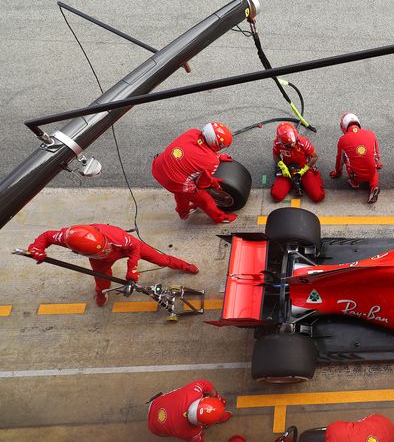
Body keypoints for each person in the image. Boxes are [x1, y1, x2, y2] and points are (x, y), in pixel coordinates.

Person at [27, 224, 198, 306]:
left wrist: (132, 271)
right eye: (100, 251)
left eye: (104, 248)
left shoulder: (117, 237)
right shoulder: (67, 237)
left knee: (161, 260)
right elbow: (47, 236)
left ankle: (186, 266)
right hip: (101, 262)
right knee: (101, 282)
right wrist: (36, 248)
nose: (105, 251)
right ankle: (101, 295)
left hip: (125, 249)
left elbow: (135, 248)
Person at [151, 122, 237, 224]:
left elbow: (193, 153)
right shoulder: (211, 162)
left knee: (180, 192)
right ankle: (220, 218)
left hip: (158, 167)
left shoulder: (192, 132)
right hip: (173, 180)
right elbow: (201, 184)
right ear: (215, 143)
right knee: (205, 200)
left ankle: (183, 212)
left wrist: (217, 156)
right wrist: (213, 182)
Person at [146, 380, 231, 442]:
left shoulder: (193, 392)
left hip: (156, 405)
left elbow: (206, 384)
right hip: (154, 426)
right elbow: (196, 441)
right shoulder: (190, 432)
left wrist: (217, 399)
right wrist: (217, 397)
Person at [330, 113, 383, 204]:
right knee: (373, 171)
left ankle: (354, 183)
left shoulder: (343, 140)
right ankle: (374, 187)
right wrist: (377, 164)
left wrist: (337, 173)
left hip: (356, 175)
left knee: (346, 157)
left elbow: (339, 160)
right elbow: (376, 154)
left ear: (344, 127)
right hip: (370, 172)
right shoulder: (371, 134)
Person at [271, 122, 325, 203]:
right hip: (288, 169)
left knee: (318, 196)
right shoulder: (277, 143)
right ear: (282, 142)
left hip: (304, 168)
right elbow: (276, 156)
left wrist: (303, 171)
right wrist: (282, 166)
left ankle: (307, 180)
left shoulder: (303, 142)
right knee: (276, 195)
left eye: (294, 141)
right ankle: (297, 182)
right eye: (289, 144)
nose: (293, 145)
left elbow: (314, 157)